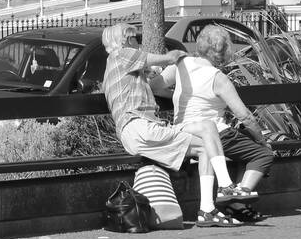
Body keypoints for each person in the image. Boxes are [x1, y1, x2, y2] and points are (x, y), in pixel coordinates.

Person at [100, 23, 253, 228]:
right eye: (135, 38)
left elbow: (154, 86)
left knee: (206, 140)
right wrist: (180, 55)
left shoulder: (123, 69)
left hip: (141, 130)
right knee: (206, 138)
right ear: (126, 40)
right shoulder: (120, 55)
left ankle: (208, 209)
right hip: (139, 127)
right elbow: (168, 58)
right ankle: (225, 188)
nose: (138, 42)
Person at [160, 25, 273, 224]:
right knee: (262, 154)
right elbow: (245, 116)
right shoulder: (218, 78)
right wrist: (262, 141)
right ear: (223, 52)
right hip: (216, 134)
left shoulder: (181, 64)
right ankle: (236, 200)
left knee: (244, 148)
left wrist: (180, 94)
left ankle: (229, 200)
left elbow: (155, 87)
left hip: (183, 130)